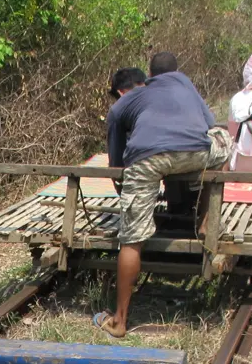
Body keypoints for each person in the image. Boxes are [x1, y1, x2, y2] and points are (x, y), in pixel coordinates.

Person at [99, 51, 231, 338]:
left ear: (150, 75)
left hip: (147, 158)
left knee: (131, 241)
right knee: (224, 138)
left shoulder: (131, 98)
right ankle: (207, 218)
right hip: (194, 153)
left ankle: (120, 321)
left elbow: (115, 154)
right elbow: (211, 126)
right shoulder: (186, 86)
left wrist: (124, 187)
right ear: (176, 71)